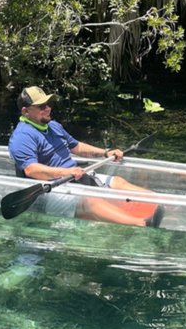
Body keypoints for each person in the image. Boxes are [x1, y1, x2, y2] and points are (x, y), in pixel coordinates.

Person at [8, 86, 164, 227]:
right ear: (25, 111)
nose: (48, 108)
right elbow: (31, 170)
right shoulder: (22, 136)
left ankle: (162, 204)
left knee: (118, 181)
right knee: (90, 201)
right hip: (49, 190)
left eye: (48, 104)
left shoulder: (53, 126)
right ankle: (142, 224)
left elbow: (76, 146)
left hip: (76, 177)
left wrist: (105, 152)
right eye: (41, 106)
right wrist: (67, 172)